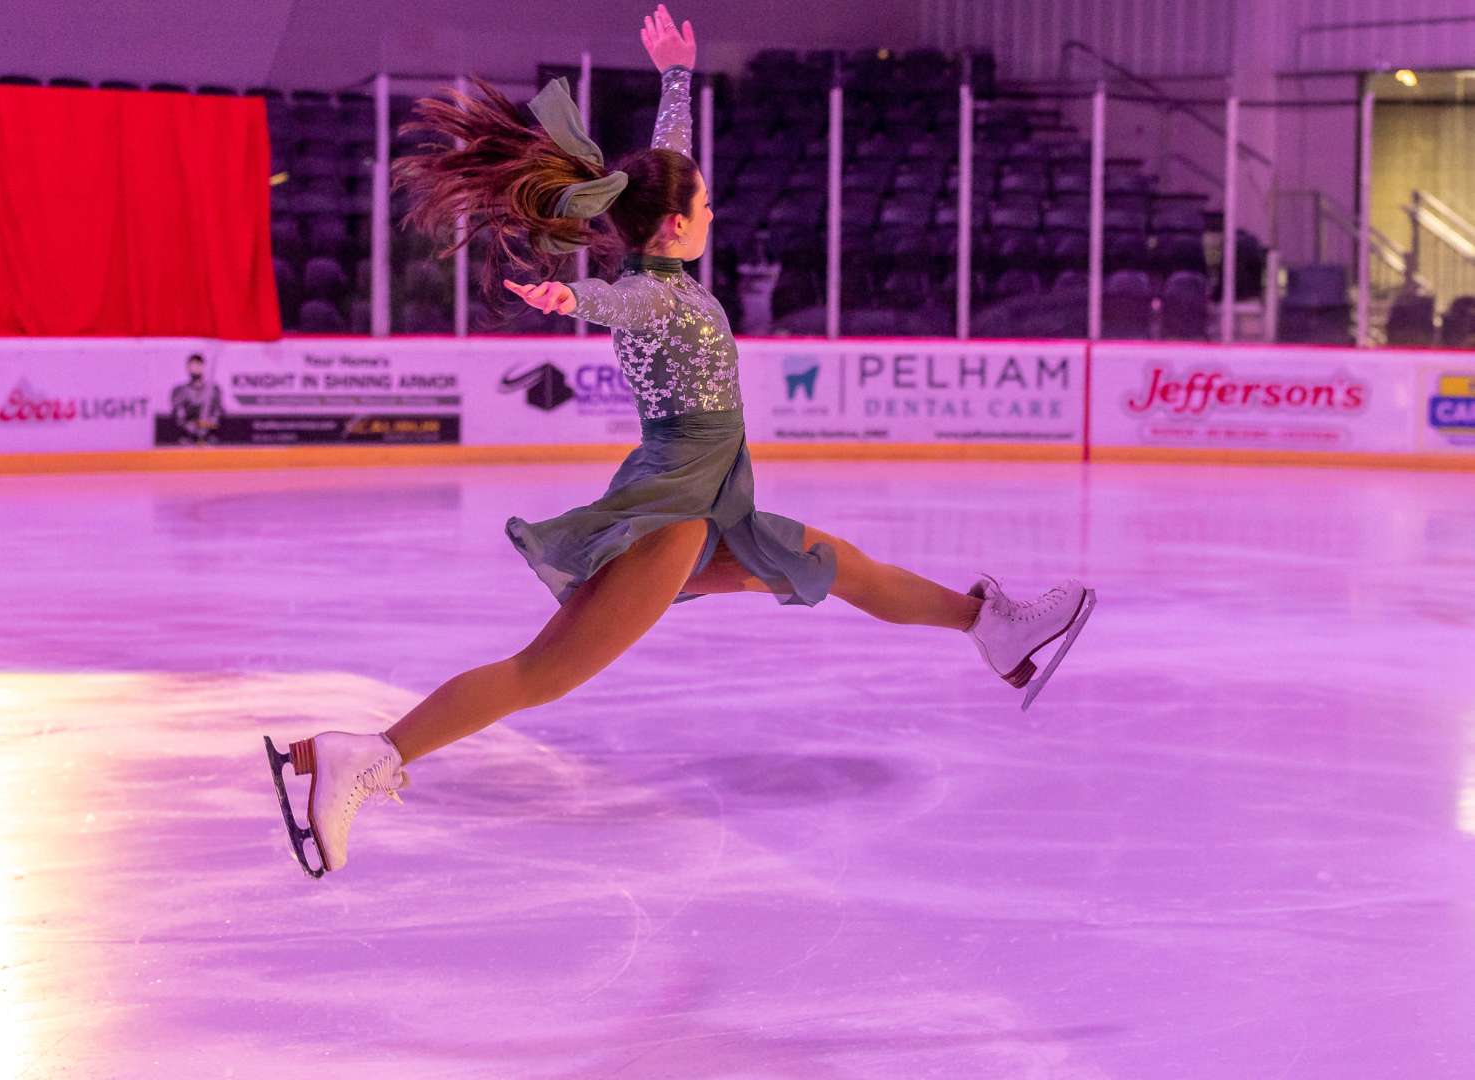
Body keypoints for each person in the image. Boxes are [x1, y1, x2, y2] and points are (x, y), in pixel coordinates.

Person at [262, 5, 1096, 878]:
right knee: (540, 675)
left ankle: (992, 628)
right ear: (673, 228)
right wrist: (571, 301)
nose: (712, 207)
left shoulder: (667, 270)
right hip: (675, 516)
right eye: (703, 204)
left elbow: (669, 176)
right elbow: (621, 299)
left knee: (834, 561)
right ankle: (363, 755)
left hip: (708, 502)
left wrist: (676, 79)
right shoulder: (653, 295)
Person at [169, 353, 221, 444]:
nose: (195, 368)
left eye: (198, 364)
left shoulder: (214, 390)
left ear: (203, 367)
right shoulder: (180, 391)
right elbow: (179, 416)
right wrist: (192, 427)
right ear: (187, 368)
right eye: (192, 365)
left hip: (209, 437)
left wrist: (207, 426)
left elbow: (218, 414)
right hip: (186, 438)